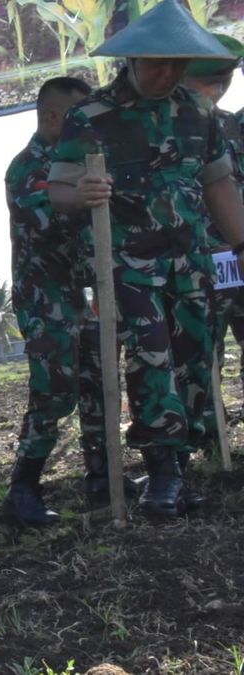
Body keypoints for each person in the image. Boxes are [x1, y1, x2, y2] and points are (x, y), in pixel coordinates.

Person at [48, 0, 244, 518]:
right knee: (151, 355)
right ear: (130, 61)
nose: (167, 74)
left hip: (189, 261)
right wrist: (84, 192)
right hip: (127, 267)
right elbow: (59, 192)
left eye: (177, 64)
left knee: (195, 358)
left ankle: (177, 467)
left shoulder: (197, 113)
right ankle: (160, 472)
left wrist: (242, 243)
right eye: (157, 64)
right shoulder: (89, 117)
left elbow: (217, 181)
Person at [1, 76, 129, 526]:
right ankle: (23, 490)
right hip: (45, 298)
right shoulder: (27, 167)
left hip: (85, 292)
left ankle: (102, 476)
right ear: (54, 116)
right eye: (78, 116)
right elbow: (51, 212)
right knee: (54, 392)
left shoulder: (75, 160)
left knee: (100, 385)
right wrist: (85, 195)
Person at [183, 34, 244, 461]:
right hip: (200, 262)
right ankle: (210, 440)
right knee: (202, 356)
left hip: (238, 256)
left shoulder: (235, 126)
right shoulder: (176, 131)